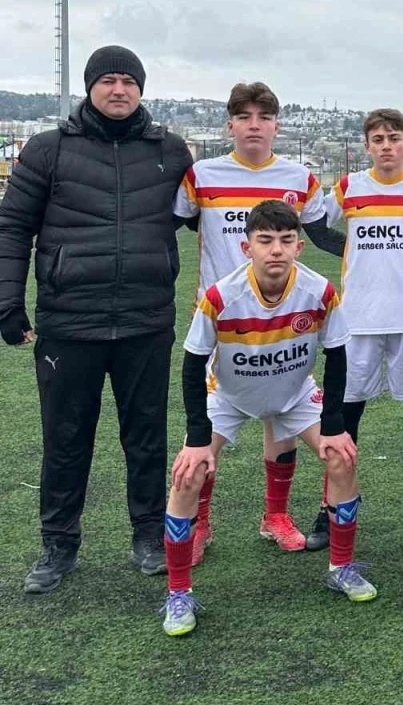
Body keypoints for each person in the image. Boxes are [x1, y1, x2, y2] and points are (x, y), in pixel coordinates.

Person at [0, 45, 192, 594]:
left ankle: (149, 536)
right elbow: (12, 227)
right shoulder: (48, 148)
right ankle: (58, 545)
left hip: (145, 320)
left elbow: (212, 215)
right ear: (90, 88)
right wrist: (7, 302)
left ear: (141, 89)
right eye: (108, 80)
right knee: (65, 439)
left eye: (128, 81)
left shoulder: (170, 150)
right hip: (69, 323)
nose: (118, 89)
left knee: (147, 438)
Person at [160, 201, 373, 636]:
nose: (276, 249)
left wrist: (334, 425)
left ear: (299, 246)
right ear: (247, 248)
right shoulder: (221, 297)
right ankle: (178, 593)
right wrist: (198, 437)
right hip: (228, 395)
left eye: (286, 240)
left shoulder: (319, 291)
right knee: (188, 472)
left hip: (294, 394)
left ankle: (342, 567)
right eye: (265, 240)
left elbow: (337, 356)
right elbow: (192, 363)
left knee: (342, 459)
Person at [173, 81, 346, 561]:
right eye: (244, 116)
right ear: (229, 125)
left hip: (285, 317)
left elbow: (320, 236)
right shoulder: (202, 175)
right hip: (223, 326)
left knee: (282, 419)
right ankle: (200, 523)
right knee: (207, 430)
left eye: (264, 117)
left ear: (276, 126)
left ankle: (275, 516)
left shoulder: (299, 178)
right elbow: (180, 225)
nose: (254, 125)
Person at [303, 108, 403, 552]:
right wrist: (348, 247)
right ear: (367, 146)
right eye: (378, 139)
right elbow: (315, 225)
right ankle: (331, 506)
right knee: (343, 416)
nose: (386, 146)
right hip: (359, 321)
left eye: (394, 138)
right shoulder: (350, 187)